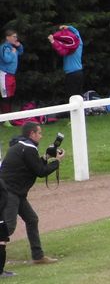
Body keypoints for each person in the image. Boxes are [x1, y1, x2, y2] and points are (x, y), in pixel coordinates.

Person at [0, 122, 64, 266]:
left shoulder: (21, 146)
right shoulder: (28, 148)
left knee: (32, 219)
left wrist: (46, 157)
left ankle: (38, 256)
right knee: (8, 227)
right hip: (9, 192)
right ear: (32, 134)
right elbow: (40, 172)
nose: (41, 136)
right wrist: (57, 162)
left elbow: (33, 166)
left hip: (14, 191)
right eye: (39, 133)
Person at [48, 24, 83, 98]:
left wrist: (52, 41)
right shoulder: (79, 43)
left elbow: (59, 49)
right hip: (79, 73)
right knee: (78, 96)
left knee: (72, 97)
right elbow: (76, 32)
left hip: (71, 74)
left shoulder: (67, 49)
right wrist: (68, 27)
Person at [0, 29, 23, 115]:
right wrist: (13, 53)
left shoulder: (12, 47)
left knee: (10, 96)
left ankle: (9, 116)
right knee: (5, 96)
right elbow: (6, 59)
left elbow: (20, 52)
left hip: (11, 75)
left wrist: (19, 46)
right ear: (7, 37)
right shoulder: (4, 47)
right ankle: (6, 118)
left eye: (16, 37)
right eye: (14, 37)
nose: (16, 38)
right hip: (5, 75)